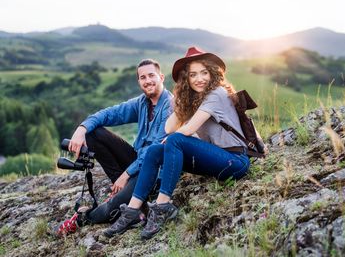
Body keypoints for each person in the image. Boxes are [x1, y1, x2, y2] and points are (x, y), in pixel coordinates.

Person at [103, 46, 251, 240]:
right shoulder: (198, 99)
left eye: (204, 73)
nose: (199, 79)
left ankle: (163, 205)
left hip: (235, 161)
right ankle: (132, 211)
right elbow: (169, 127)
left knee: (175, 140)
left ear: (212, 73)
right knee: (156, 150)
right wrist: (182, 101)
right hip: (217, 159)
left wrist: (174, 135)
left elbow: (185, 131)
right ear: (186, 79)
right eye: (193, 75)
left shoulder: (217, 94)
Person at [56, 59, 173, 236]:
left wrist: (125, 175)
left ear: (161, 77)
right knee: (93, 132)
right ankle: (124, 191)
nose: (147, 80)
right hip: (137, 160)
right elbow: (110, 113)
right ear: (139, 82)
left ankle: (84, 218)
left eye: (151, 75)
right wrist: (82, 128)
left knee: (113, 206)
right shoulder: (142, 102)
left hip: (154, 168)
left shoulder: (170, 105)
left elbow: (155, 148)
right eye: (143, 77)